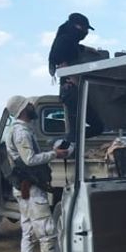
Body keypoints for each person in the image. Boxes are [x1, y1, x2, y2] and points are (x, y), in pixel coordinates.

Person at [5, 95, 67, 252]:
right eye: (29, 105)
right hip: (31, 189)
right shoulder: (21, 132)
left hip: (26, 189)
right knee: (47, 231)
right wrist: (54, 154)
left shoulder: (16, 130)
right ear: (23, 110)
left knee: (29, 232)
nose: (32, 107)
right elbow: (29, 160)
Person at [48, 12, 104, 150]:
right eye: (84, 29)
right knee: (93, 127)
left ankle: (67, 143)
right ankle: (62, 142)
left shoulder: (69, 41)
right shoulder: (64, 40)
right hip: (71, 90)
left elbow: (75, 48)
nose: (85, 32)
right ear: (77, 26)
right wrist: (75, 81)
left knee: (90, 128)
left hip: (72, 89)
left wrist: (88, 49)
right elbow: (60, 61)